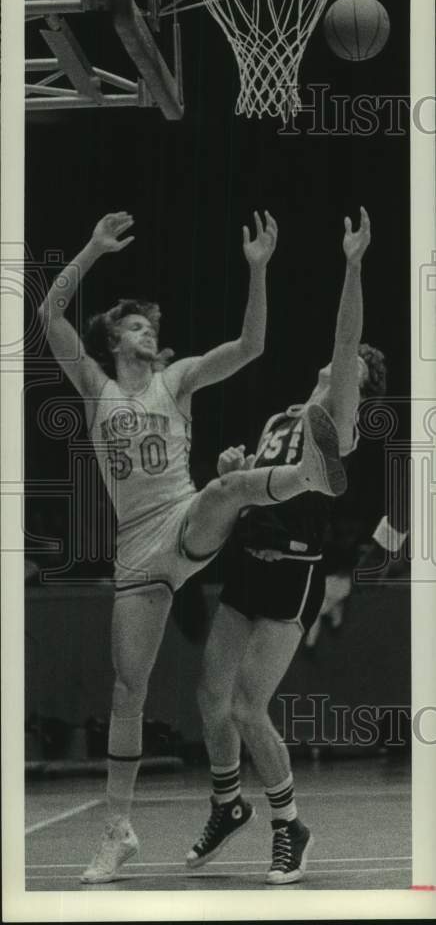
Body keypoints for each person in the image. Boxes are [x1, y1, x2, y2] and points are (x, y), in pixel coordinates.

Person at [38, 208, 344, 884]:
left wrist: (258, 271)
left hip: (186, 521)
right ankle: (119, 830)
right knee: (128, 690)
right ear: (116, 337)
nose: (152, 330)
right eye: (138, 324)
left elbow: (251, 345)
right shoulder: (96, 388)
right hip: (137, 554)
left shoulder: (177, 381)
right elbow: (48, 314)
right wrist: (90, 247)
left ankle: (301, 476)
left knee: (220, 491)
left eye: (154, 325)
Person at [186, 206, 387, 885]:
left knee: (247, 706)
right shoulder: (282, 416)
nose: (341, 365)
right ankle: (225, 804)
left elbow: (346, 336)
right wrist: (230, 470)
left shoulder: (338, 424)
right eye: (340, 364)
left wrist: (354, 265)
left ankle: (289, 825)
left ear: (358, 385)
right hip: (246, 563)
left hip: (294, 574)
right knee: (209, 697)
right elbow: (252, 484)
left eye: (353, 366)